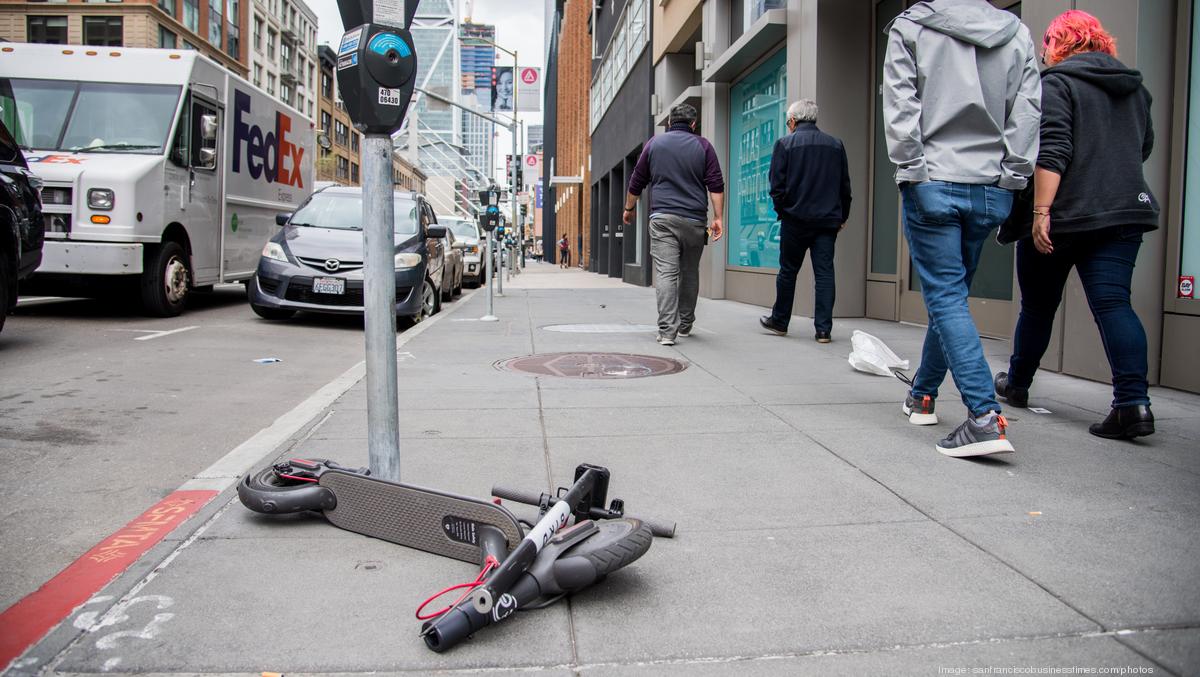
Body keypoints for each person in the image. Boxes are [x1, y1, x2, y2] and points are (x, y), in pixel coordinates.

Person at [883, 0, 1041, 457]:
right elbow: (1027, 111)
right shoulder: (1016, 33)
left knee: (946, 296)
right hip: (990, 186)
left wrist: (914, 169)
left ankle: (984, 417)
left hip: (933, 179)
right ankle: (923, 394)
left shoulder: (912, 26)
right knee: (949, 294)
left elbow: (901, 105)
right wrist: (1011, 178)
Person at [994, 10, 1158, 440]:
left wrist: (1040, 212)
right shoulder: (1135, 88)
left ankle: (1018, 384)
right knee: (1114, 305)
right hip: (1123, 212)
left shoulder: (1057, 84)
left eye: (1047, 44)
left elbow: (1053, 150)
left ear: (1057, 43)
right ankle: (1132, 403)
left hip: (1064, 217)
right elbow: (1143, 146)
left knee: (1038, 306)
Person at [623, 103, 725, 346]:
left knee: (666, 273)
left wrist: (628, 209)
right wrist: (718, 217)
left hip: (663, 219)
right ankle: (686, 323)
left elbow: (637, 181)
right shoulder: (704, 146)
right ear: (693, 124)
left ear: (669, 123)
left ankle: (668, 331)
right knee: (690, 272)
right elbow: (716, 184)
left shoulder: (654, 144)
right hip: (694, 220)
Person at [759, 99, 851, 343]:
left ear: (792, 121)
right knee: (824, 274)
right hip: (826, 222)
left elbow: (776, 187)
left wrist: (783, 211)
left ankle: (780, 321)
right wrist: (842, 217)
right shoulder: (835, 145)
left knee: (788, 271)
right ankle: (823, 330)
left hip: (795, 220)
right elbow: (845, 187)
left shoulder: (785, 145)